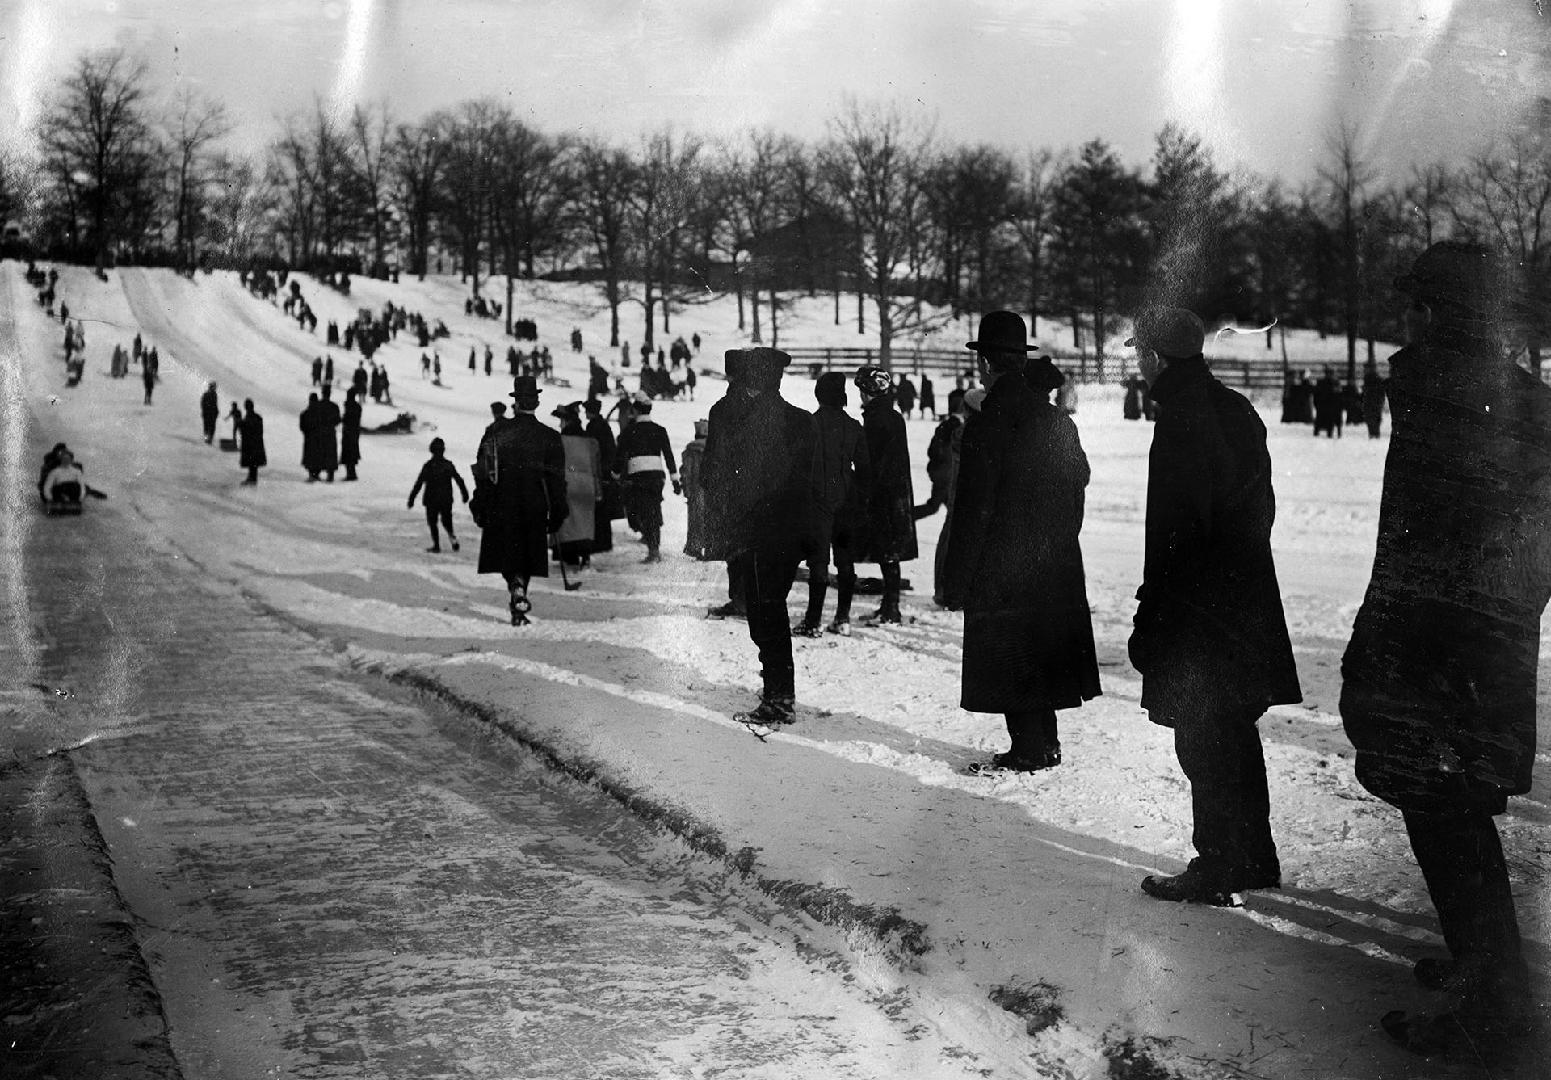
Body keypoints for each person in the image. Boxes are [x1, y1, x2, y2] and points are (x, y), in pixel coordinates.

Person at [1339, 242, 1551, 1063]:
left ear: (1443, 314)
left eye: (1418, 305)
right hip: (1480, 652)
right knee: (1455, 819)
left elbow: (1417, 549)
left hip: (1432, 655)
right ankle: (1483, 971)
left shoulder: (1436, 394)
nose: (1407, 320)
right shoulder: (1526, 403)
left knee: (1446, 823)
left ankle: (1495, 1011)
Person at [1126, 305, 1301, 907]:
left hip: (1199, 612)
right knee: (1232, 732)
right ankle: (1252, 857)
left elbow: (1177, 535)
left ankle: (1220, 863)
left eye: (1139, 355)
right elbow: (1261, 510)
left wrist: (1155, 616)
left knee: (1202, 739)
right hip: (1243, 600)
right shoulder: (1235, 407)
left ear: (1153, 357)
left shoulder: (1179, 419)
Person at [945, 311, 1100, 773]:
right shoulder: (1055, 420)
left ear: (986, 365)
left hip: (1001, 565)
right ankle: (1042, 743)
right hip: (1052, 562)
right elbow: (1079, 484)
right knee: (1040, 653)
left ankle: (1030, 749)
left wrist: (958, 578)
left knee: (1012, 656)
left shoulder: (986, 425)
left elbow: (973, 512)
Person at [700, 347, 817, 725]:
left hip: (751, 531)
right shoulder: (800, 420)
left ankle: (779, 698)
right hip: (790, 531)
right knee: (772, 608)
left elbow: (711, 475)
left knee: (764, 613)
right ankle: (779, 693)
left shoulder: (728, 417)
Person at [472, 376, 568, 625]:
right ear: (536, 402)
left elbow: (483, 471)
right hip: (535, 504)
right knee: (527, 553)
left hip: (500, 503)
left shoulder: (496, 431)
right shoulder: (550, 436)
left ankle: (515, 586)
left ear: (515, 402)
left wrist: (478, 503)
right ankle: (520, 588)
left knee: (507, 552)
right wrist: (559, 510)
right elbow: (557, 480)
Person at [793, 372, 870, 637]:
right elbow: (865, 469)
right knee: (845, 561)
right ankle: (842, 618)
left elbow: (798, 468)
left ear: (819, 395)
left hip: (817, 501)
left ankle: (813, 622)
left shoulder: (808, 424)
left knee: (818, 562)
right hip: (847, 501)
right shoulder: (854, 426)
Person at [853, 366, 918, 624]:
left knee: (887, 550)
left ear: (867, 392)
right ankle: (890, 605)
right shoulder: (893, 416)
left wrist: (865, 489)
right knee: (889, 550)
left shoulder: (875, 419)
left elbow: (872, 462)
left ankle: (891, 609)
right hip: (897, 491)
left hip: (883, 494)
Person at [915, 388, 967, 606]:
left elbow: (932, 452)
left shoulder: (945, 425)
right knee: (948, 523)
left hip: (943, 478)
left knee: (941, 514)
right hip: (949, 481)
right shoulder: (957, 428)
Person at [610, 396, 678, 563]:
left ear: (636, 410)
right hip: (657, 476)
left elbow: (619, 456)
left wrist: (616, 474)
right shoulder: (660, 430)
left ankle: (653, 550)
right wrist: (675, 480)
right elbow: (669, 456)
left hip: (637, 476)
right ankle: (654, 546)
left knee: (642, 510)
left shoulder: (629, 431)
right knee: (653, 509)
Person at [552, 403, 601, 576]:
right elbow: (595, 466)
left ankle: (569, 556)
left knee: (568, 522)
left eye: (561, 421)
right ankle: (585, 557)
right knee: (585, 524)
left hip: (568, 484)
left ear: (566, 421)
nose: (559, 425)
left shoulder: (561, 440)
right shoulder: (589, 439)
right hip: (587, 484)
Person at [407, 437, 470, 553]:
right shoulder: (448, 465)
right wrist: (464, 493)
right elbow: (459, 480)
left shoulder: (428, 466)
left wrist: (411, 498)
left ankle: (436, 545)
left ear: (431, 450)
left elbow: (419, 483)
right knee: (447, 520)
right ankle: (452, 537)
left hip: (431, 499)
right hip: (446, 499)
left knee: (432, 522)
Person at [582, 399, 617, 556]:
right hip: (607, 470)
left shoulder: (592, 427)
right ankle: (605, 542)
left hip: (598, 471)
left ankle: (599, 543)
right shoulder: (604, 425)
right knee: (604, 509)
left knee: (598, 508)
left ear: (590, 411)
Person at [680, 419, 711, 559]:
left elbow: (686, 472)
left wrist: (686, 489)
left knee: (695, 521)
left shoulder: (690, 451)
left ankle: (695, 548)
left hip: (695, 490)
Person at [239, 400, 266, 485]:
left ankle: (252, 479)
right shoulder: (258, 417)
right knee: (254, 462)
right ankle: (252, 478)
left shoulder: (247, 418)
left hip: (249, 444)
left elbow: (244, 431)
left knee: (251, 462)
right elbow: (260, 430)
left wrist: (240, 424)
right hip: (257, 443)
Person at [1312, 365, 1343, 437]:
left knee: (1321, 420)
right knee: (1330, 420)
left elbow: (1316, 395)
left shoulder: (1322, 382)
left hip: (1325, 406)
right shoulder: (1335, 383)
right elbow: (1338, 395)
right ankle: (1331, 433)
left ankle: (1319, 432)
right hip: (1330, 406)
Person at [340, 387, 362, 481]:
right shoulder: (357, 406)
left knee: (348, 453)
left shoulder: (349, 406)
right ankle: (351, 473)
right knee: (351, 453)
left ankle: (351, 474)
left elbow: (347, 419)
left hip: (349, 432)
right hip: (354, 432)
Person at [1361, 360, 1386, 439]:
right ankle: (1374, 434)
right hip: (1372, 401)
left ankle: (1374, 434)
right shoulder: (1370, 378)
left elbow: (1379, 391)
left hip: (1373, 401)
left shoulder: (1373, 378)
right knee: (1372, 418)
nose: (1364, 370)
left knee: (1373, 418)